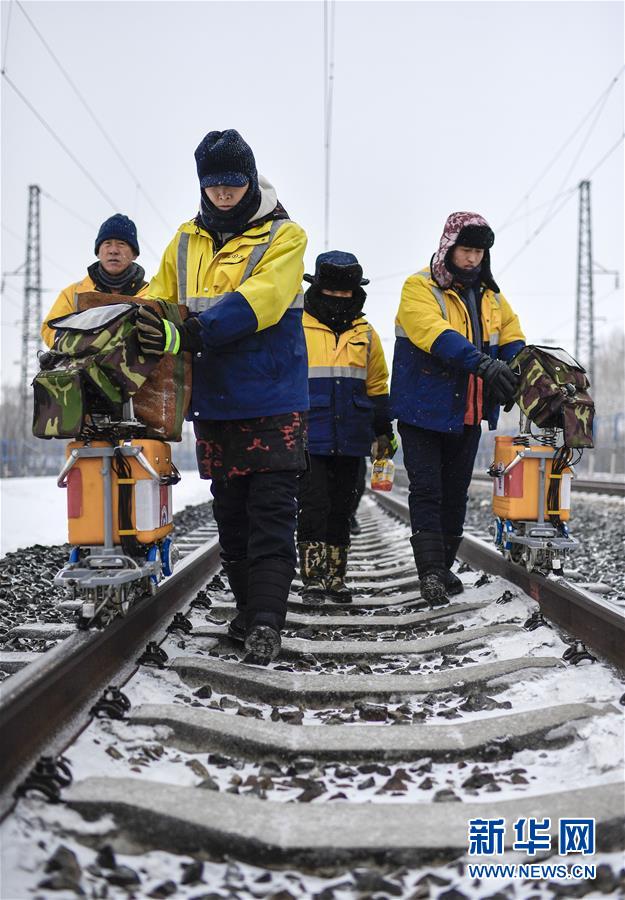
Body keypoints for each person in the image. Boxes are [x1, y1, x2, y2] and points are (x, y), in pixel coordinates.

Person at [137, 129, 308, 665]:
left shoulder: (285, 235)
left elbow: (266, 296)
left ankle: (265, 621)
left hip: (274, 398)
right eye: (214, 184)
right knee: (232, 517)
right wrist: (129, 323)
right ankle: (246, 612)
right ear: (202, 185)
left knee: (272, 515)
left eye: (234, 182)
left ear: (250, 178)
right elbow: (158, 299)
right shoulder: (184, 241)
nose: (224, 193)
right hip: (214, 401)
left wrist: (195, 332)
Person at [390, 212, 525, 606]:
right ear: (449, 247)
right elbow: (435, 335)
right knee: (428, 490)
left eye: (479, 252)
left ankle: (443, 567)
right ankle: (430, 573)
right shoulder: (419, 288)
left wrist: (518, 369)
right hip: (422, 410)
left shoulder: (492, 298)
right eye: (466, 250)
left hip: (468, 411)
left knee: (455, 493)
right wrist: (484, 364)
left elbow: (513, 337)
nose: (472, 259)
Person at [297, 251, 396, 603]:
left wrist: (383, 431)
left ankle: (336, 579)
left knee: (343, 506)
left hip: (353, 436)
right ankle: (312, 579)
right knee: (313, 505)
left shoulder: (366, 333)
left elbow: (377, 384)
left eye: (346, 294)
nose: (339, 300)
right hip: (309, 435)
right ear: (317, 289)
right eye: (333, 293)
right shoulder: (296, 326)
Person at [41, 214, 148, 346]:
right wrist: (77, 344)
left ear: (134, 254)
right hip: (83, 366)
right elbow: (50, 329)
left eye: (121, 244)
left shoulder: (151, 295)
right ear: (98, 252)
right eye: (107, 244)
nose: (113, 250)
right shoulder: (73, 294)